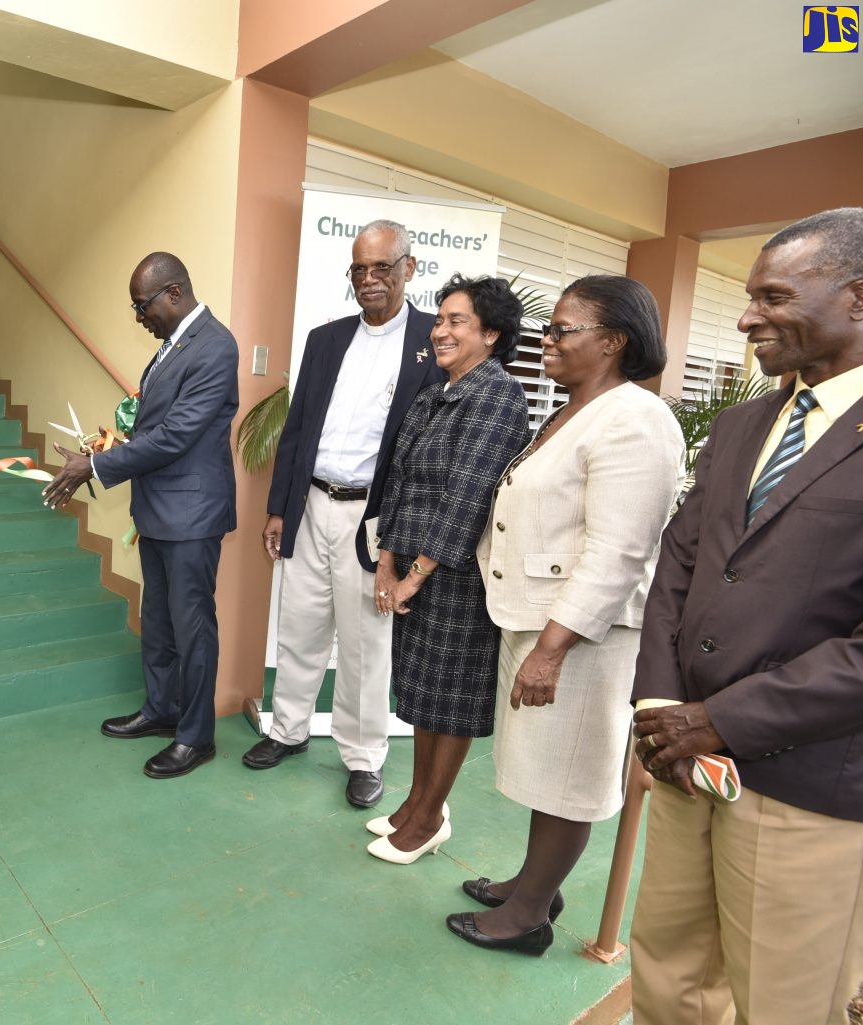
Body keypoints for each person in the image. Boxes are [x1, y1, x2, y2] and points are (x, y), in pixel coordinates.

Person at [629, 208, 863, 1024]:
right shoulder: (740, 425)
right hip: (685, 763)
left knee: (785, 1004)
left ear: (858, 299)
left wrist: (719, 720)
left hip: (805, 784)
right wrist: (661, 707)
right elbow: (680, 564)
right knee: (668, 972)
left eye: (773, 295)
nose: (745, 315)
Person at [448, 275, 683, 956]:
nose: (545, 340)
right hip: (542, 617)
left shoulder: (637, 419)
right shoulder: (577, 409)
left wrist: (552, 647)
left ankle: (525, 918)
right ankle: (534, 882)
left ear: (613, 341)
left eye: (561, 329)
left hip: (585, 635)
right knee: (541, 768)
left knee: (569, 778)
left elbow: (618, 550)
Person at [251, 219, 444, 809]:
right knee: (300, 624)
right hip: (311, 504)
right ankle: (286, 730)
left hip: (374, 519)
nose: (369, 280)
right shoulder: (326, 338)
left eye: (382, 267)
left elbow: (432, 448)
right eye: (359, 269)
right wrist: (280, 507)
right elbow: (297, 430)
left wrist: (409, 536)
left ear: (409, 269)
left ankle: (362, 756)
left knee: (365, 641)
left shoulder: (432, 343)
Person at [42, 253, 239, 779]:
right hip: (158, 510)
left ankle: (196, 737)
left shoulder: (216, 347)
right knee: (158, 620)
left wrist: (98, 466)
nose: (139, 317)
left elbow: (178, 435)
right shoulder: (169, 349)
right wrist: (108, 448)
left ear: (173, 293)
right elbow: (158, 428)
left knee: (192, 627)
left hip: (193, 514)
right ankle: (161, 710)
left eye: (142, 305)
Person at [368, 274, 529, 864]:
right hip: (414, 563)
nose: (440, 330)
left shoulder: (498, 395)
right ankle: (415, 804)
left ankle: (431, 816)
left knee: (451, 701)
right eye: (440, 319)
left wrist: (415, 575)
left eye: (457, 321)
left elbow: (468, 495)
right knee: (421, 696)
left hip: (457, 577)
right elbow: (401, 478)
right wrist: (387, 562)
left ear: (491, 334)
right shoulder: (438, 391)